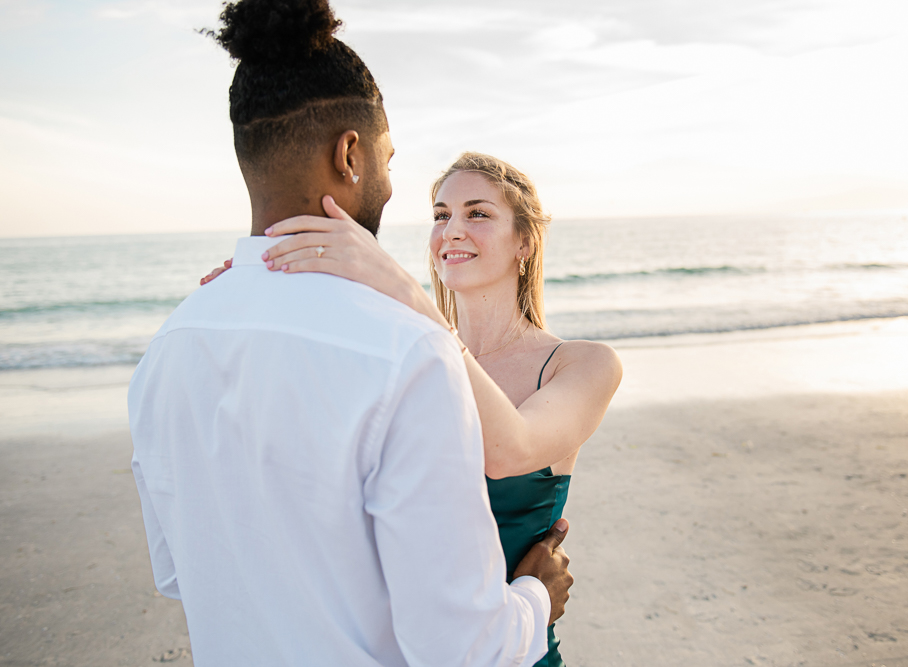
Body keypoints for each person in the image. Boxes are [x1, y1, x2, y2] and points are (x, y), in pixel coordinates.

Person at [129, 1, 574, 665]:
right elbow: (464, 648)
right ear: (350, 153)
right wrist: (537, 594)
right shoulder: (407, 352)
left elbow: (181, 571)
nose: (393, 184)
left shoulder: (169, 346)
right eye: (389, 159)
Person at [202, 152, 623, 665]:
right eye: (441, 215)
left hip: (514, 653)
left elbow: (510, 450)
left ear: (525, 242)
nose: (452, 229)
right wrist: (258, 293)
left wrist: (402, 292)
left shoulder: (581, 364)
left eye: (478, 214)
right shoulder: (399, 349)